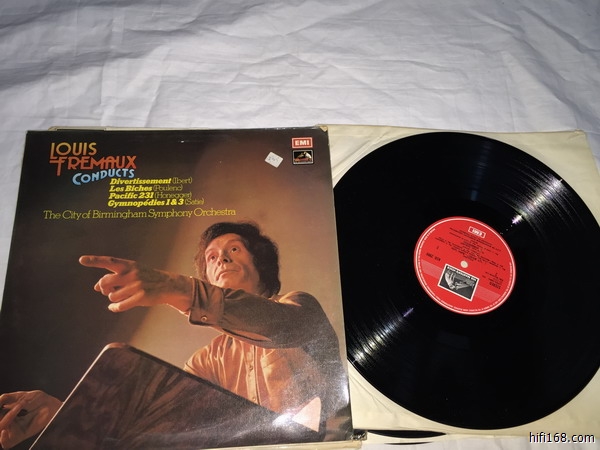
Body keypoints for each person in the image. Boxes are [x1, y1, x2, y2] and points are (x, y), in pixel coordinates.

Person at [0, 221, 350, 448]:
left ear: (260, 263)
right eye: (211, 257)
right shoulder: (207, 360)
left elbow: (281, 326)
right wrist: (64, 415)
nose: (221, 259)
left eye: (234, 249)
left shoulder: (298, 304)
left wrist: (177, 288)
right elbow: (161, 425)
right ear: (207, 277)